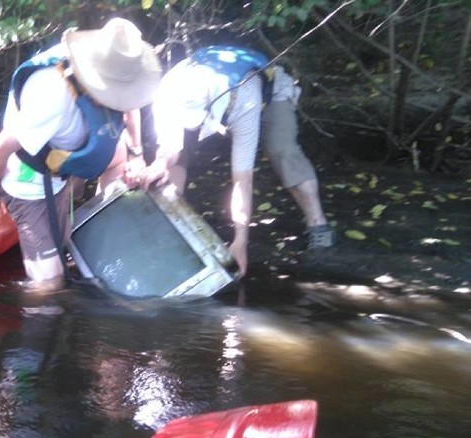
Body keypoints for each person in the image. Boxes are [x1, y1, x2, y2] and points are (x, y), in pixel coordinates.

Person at [0, 18, 162, 291]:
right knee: (49, 284)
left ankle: (86, 226)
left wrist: (136, 154)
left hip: (62, 165)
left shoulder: (117, 76)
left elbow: (129, 106)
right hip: (29, 181)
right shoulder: (51, 95)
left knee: (65, 243)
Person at [139, 46, 333, 277]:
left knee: (282, 150)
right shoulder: (168, 93)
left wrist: (240, 240)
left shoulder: (243, 95)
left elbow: (243, 180)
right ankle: (172, 220)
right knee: (176, 157)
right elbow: (170, 148)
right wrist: (159, 163)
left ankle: (318, 223)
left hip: (266, 94)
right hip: (217, 98)